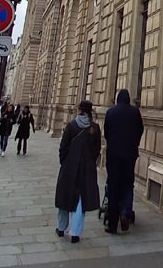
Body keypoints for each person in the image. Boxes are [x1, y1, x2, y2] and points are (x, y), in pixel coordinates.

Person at [54, 99, 101, 244]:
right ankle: (75, 233)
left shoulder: (71, 126)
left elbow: (63, 147)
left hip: (69, 167)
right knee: (80, 200)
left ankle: (61, 228)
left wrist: (65, 162)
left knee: (64, 198)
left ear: (80, 110)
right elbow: (96, 150)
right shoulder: (95, 128)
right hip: (86, 169)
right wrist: (90, 163)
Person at [102, 88, 144, 234]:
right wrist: (133, 144)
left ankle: (113, 225)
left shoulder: (111, 112)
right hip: (129, 155)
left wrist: (113, 144)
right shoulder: (135, 112)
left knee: (113, 188)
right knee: (127, 185)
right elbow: (140, 130)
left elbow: (106, 132)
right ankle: (125, 213)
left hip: (113, 156)